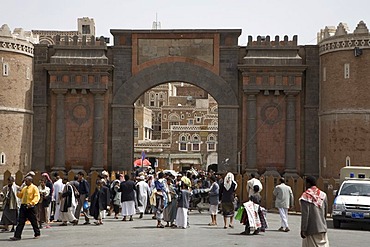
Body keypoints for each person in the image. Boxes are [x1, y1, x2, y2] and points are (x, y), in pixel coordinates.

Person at [300, 176, 329, 247]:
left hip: (311, 229)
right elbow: (325, 212)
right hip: (322, 227)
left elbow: (305, 215)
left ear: (308, 184)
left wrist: (303, 229)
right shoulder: (323, 195)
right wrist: (323, 223)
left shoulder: (305, 196)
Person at [10, 176, 40, 241]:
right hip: (23, 206)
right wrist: (18, 192)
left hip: (30, 206)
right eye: (25, 181)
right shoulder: (24, 188)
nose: (25, 182)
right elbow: (20, 196)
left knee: (33, 221)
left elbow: (36, 197)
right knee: (20, 221)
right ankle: (17, 236)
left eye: (27, 181)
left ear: (30, 181)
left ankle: (37, 233)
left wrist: (32, 203)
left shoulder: (34, 188)